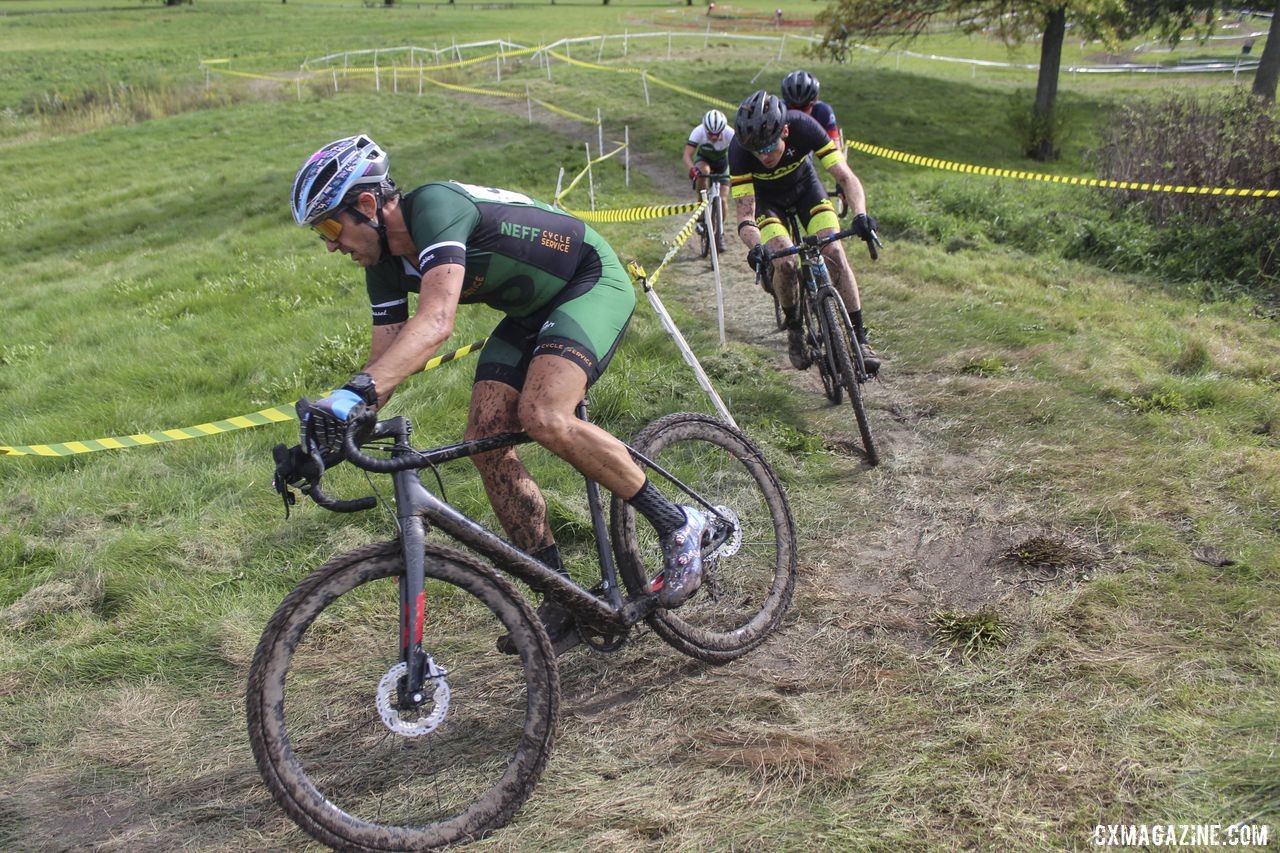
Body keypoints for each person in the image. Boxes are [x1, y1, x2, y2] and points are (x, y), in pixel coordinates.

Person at [289, 135, 709, 654]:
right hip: (530, 311)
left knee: (543, 413)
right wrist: (330, 436)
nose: (331, 245)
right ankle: (562, 595)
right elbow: (384, 364)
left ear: (368, 204)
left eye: (331, 227)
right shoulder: (382, 266)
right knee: (484, 439)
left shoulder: (434, 207)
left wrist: (352, 396)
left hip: (588, 281)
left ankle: (678, 523)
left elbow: (436, 322)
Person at [729, 91, 880, 375]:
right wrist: (756, 246)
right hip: (768, 203)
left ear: (785, 131)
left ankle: (860, 339)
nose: (764, 156)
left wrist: (860, 214)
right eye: (757, 151)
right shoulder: (739, 151)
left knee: (834, 252)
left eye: (769, 146)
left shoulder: (804, 126)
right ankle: (795, 328)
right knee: (784, 263)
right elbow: (746, 216)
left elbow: (845, 177)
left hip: (806, 191)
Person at [682, 109, 734, 252]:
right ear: (705, 130)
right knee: (703, 172)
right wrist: (692, 169)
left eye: (717, 134)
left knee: (723, 200)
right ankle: (701, 209)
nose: (714, 137)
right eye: (710, 134)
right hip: (704, 161)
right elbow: (687, 155)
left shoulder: (730, 133)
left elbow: (740, 154)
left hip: (722, 164)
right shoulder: (698, 131)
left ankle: (720, 232)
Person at [781, 70, 840, 144]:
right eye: (794, 107)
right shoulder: (780, 111)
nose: (799, 113)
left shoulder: (823, 111)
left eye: (804, 107)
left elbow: (835, 146)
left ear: (815, 101)